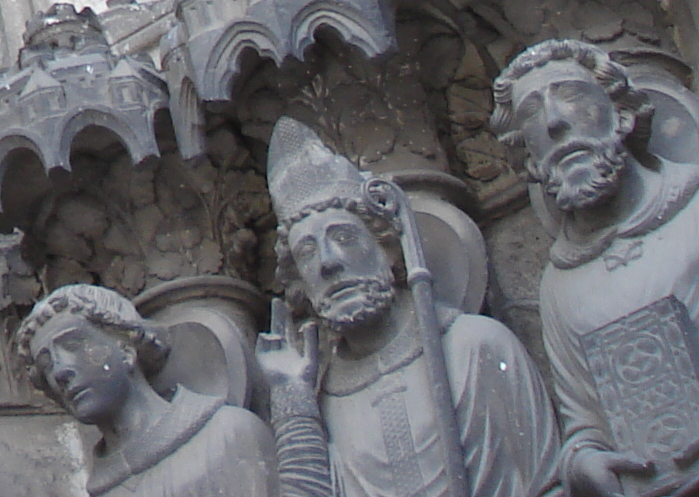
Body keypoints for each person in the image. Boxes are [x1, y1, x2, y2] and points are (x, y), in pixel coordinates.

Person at [256, 117, 555, 497]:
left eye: (344, 237)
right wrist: (294, 406)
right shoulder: (326, 403)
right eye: (307, 251)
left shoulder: (475, 349)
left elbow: (547, 483)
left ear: (387, 248)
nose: (328, 263)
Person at [492, 41, 699, 497]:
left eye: (572, 95)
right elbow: (585, 419)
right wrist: (586, 461)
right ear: (529, 159)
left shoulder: (694, 215)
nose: (554, 121)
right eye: (532, 115)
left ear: (622, 116)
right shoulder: (561, 285)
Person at [18, 284, 274, 496]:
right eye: (46, 364)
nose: (59, 372)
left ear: (126, 351)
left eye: (73, 344)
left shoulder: (227, 434)